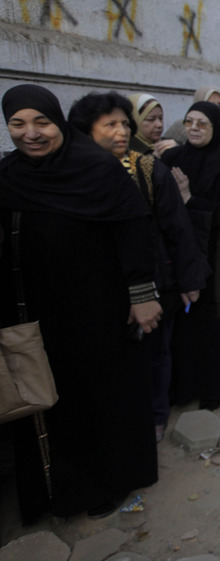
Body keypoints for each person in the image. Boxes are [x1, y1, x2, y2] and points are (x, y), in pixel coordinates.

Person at [0, 84, 161, 520]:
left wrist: (142, 296)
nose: (30, 133)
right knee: (43, 399)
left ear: (59, 124)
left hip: (97, 311)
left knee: (96, 400)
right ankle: (49, 493)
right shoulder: (9, 174)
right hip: (34, 315)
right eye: (17, 123)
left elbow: (133, 232)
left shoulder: (97, 170)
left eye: (41, 122)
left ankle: (101, 487)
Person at [67, 91, 208, 443]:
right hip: (97, 288)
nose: (121, 132)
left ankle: (156, 417)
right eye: (110, 124)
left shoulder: (147, 168)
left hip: (153, 283)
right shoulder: (69, 172)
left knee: (156, 354)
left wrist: (189, 279)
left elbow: (178, 227)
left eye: (124, 124)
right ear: (86, 130)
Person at [161, 101, 220, 410]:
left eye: (203, 123)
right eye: (189, 122)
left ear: (217, 128)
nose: (195, 128)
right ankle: (184, 390)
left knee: (219, 332)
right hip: (185, 260)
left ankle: (216, 391)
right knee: (187, 334)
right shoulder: (173, 160)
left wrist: (190, 199)